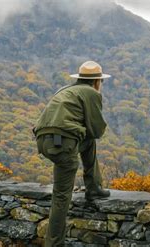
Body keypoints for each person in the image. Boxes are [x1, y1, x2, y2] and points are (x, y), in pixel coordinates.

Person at [33, 61, 111, 246]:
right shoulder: (91, 93)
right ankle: (54, 244)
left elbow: (88, 136)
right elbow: (97, 130)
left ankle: (93, 187)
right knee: (61, 196)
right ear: (97, 81)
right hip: (62, 143)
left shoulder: (66, 90)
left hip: (44, 139)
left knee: (87, 142)